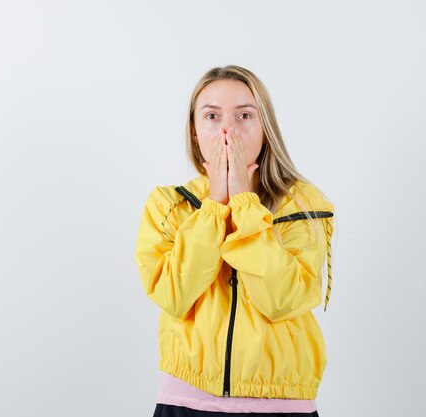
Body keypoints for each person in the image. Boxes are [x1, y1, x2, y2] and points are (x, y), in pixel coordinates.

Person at [134, 65, 337, 417]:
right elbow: (174, 296)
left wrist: (244, 204)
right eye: (212, 115)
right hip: (186, 400)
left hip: (282, 404)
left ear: (265, 129)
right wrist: (214, 206)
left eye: (245, 115)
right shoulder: (169, 205)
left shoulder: (304, 205)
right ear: (195, 132)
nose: (228, 129)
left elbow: (282, 299)